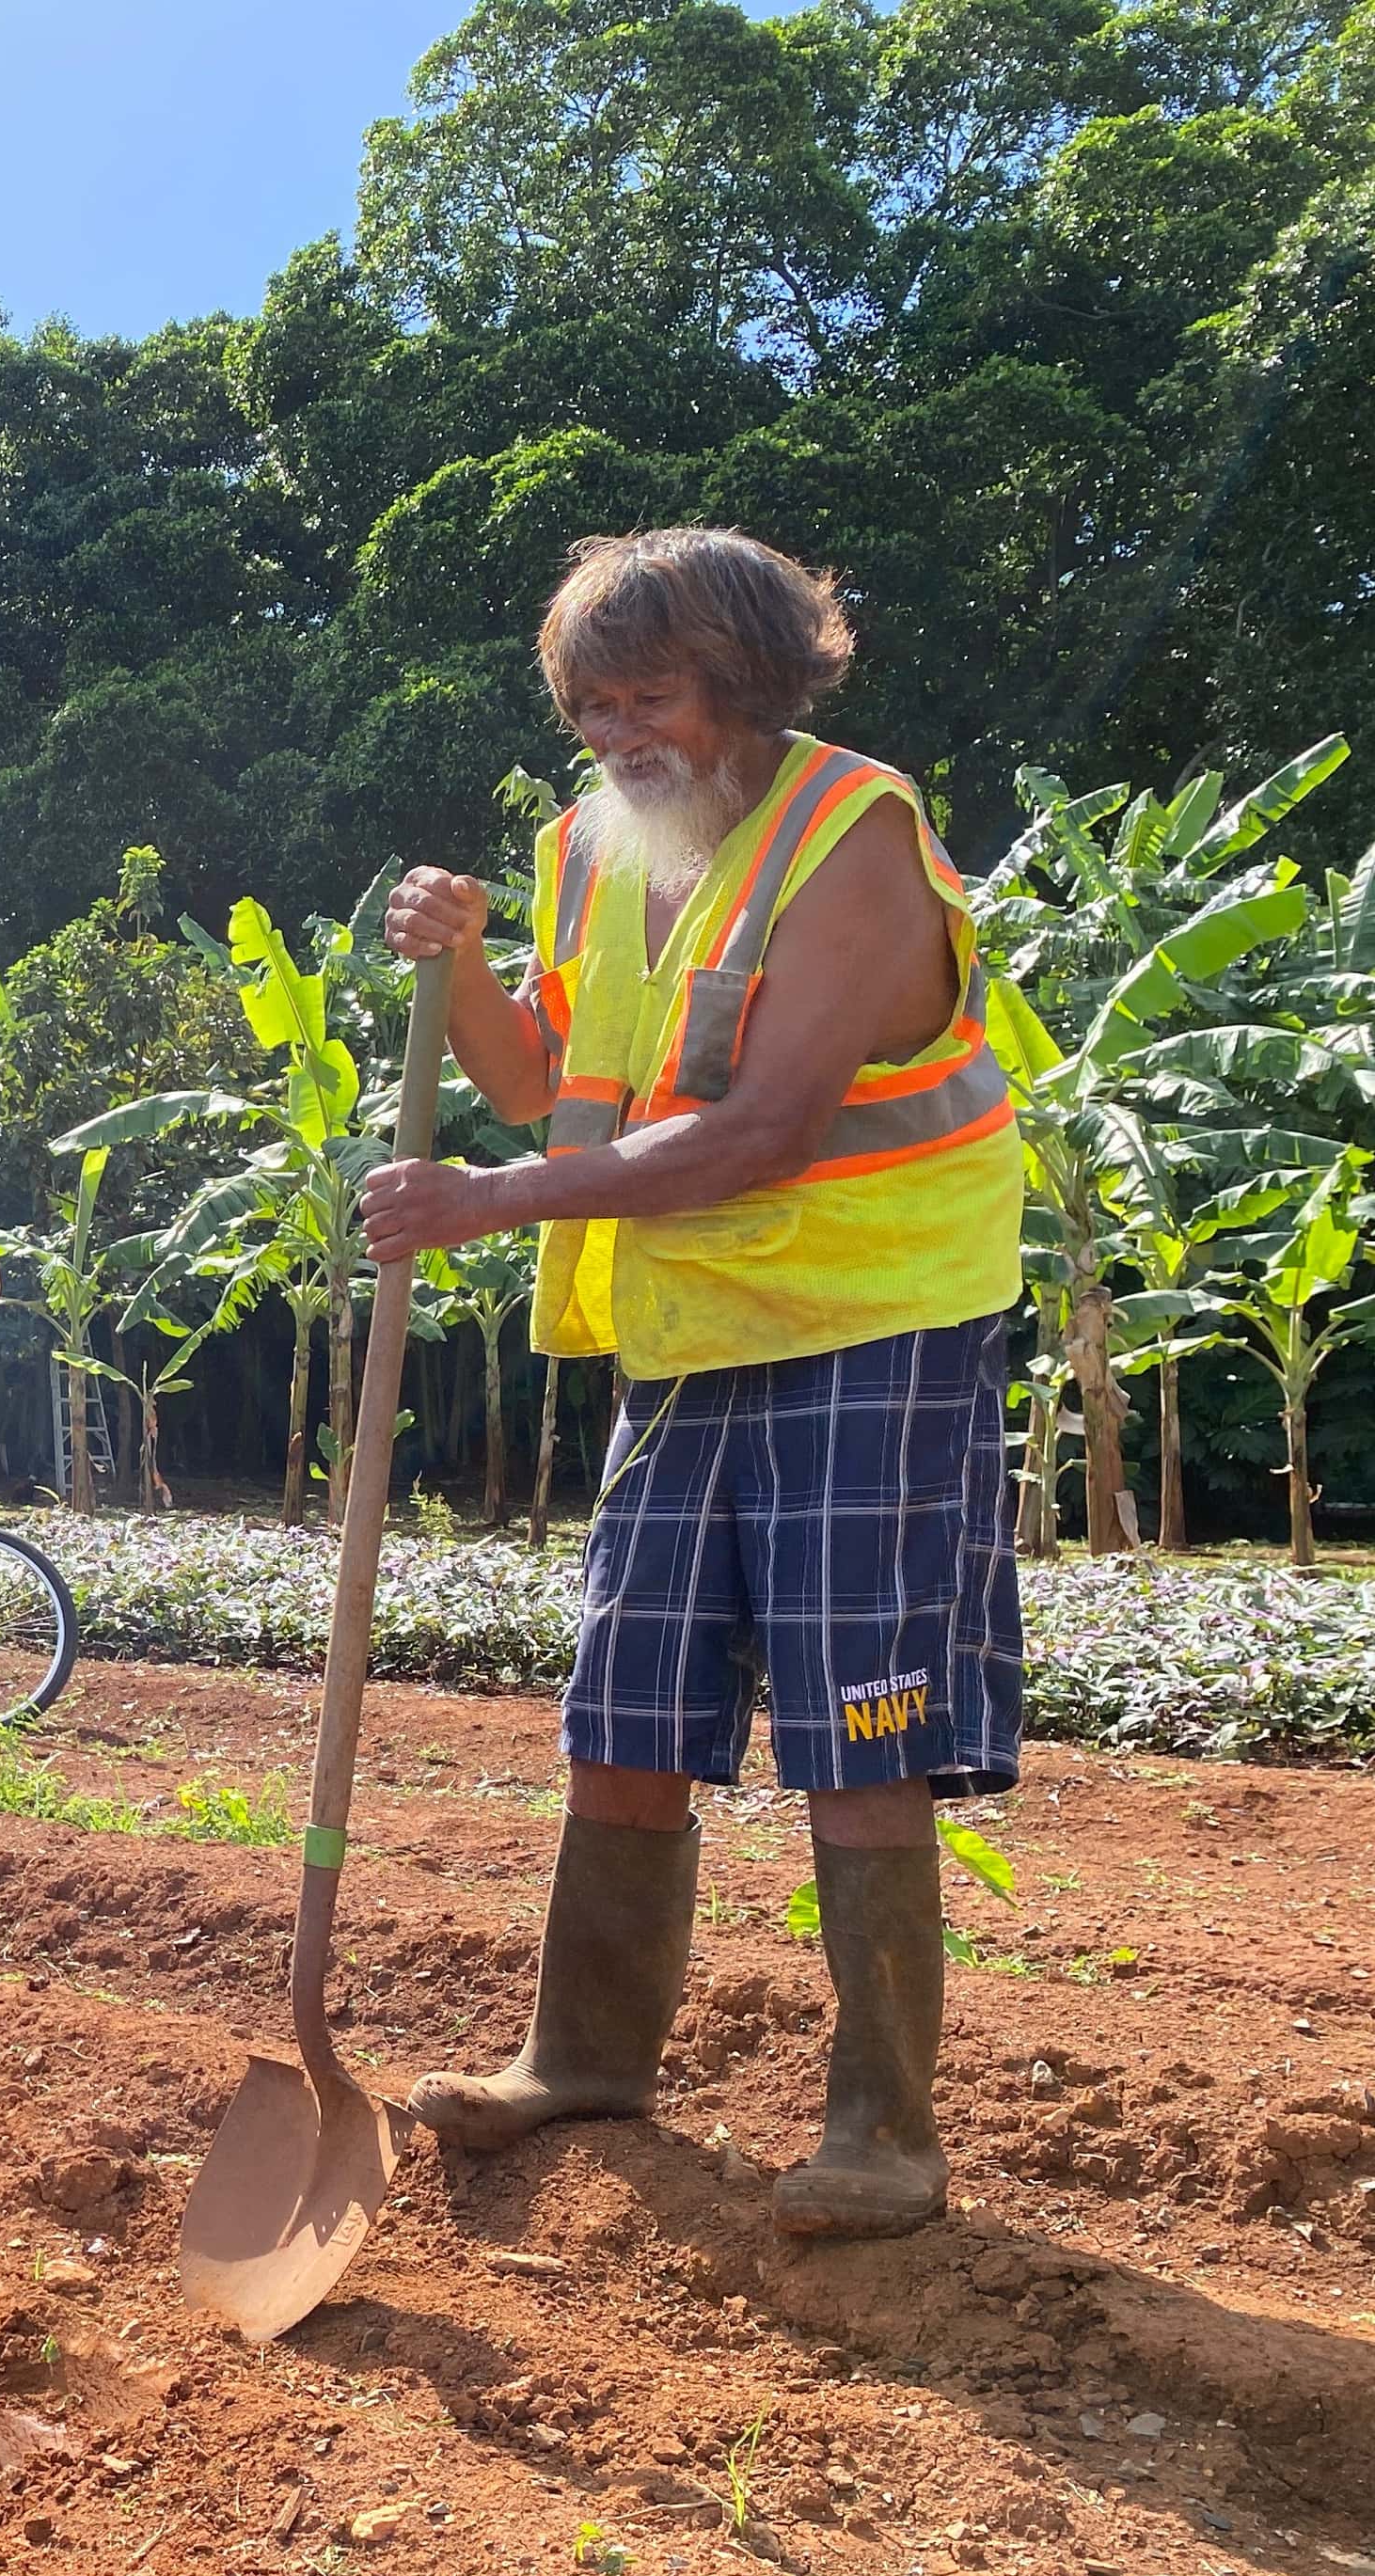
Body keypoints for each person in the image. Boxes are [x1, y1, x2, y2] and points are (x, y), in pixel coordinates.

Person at [363, 526, 1024, 2237]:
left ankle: (883, 2131)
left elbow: (758, 1133)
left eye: (647, 697)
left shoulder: (853, 837)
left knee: (853, 1715)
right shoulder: (598, 843)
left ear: (745, 682)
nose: (616, 736)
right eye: (590, 707)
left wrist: (482, 1211)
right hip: (686, 1332)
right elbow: (540, 1085)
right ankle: (582, 2055)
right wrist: (461, 965)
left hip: (873, 1321)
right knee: (629, 1701)